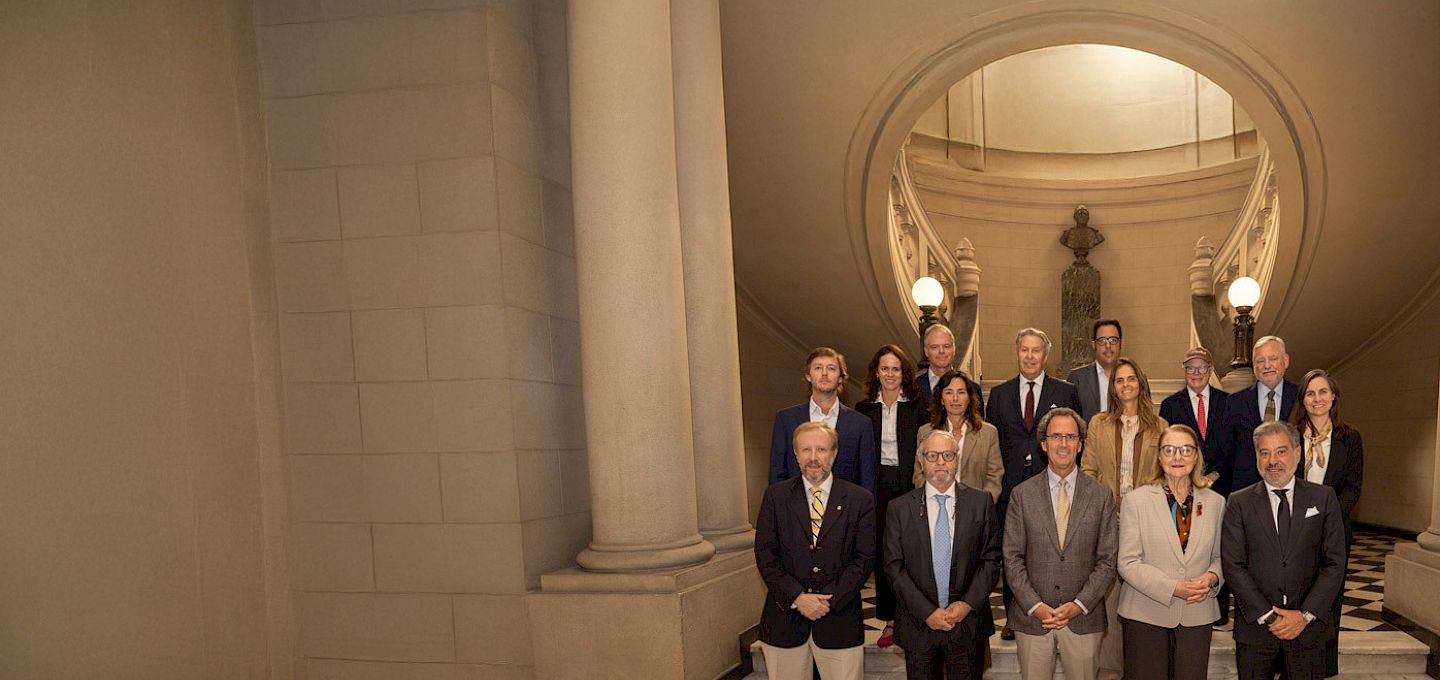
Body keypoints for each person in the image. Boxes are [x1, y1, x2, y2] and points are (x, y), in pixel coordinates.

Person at [1221, 421, 1346, 680]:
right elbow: (1233, 565)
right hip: (1256, 629)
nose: (1272, 460)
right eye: (1264, 453)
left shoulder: (1323, 498)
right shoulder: (1239, 502)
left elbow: (1334, 563)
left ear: (1297, 454)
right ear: (1256, 457)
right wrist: (1268, 616)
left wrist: (1305, 615)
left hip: (1308, 630)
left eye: (1281, 451)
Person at [755, 422, 877, 679]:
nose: (813, 458)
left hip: (840, 621)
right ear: (795, 453)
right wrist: (798, 598)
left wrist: (827, 600)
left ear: (833, 453)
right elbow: (766, 554)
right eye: (806, 449)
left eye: (821, 449)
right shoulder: (776, 497)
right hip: (784, 621)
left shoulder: (859, 499)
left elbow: (864, 558)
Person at [1004, 407, 1118, 680]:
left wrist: (1078, 604)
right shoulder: (1022, 494)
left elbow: (1107, 560)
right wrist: (1035, 605)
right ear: (1044, 443)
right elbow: (1011, 557)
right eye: (1056, 436)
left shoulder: (1101, 495)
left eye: (1070, 437)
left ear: (1080, 444)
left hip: (1083, 618)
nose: (1064, 444)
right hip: (1032, 618)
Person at [987, 327, 1082, 639]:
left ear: (1045, 355)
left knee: (1049, 548)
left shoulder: (1065, 392)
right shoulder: (999, 395)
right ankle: (1014, 617)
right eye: (1024, 350)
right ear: (1017, 353)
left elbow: (1074, 437)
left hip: (1051, 482)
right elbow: (994, 444)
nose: (1029, 356)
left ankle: (1053, 607)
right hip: (1011, 487)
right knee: (1012, 551)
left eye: (1036, 350)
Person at [884, 430, 1002, 679]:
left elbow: (991, 560)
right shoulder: (899, 508)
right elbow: (894, 568)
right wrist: (927, 612)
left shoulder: (980, 502)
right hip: (918, 625)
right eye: (932, 455)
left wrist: (966, 604)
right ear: (921, 461)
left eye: (947, 455)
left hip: (967, 624)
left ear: (957, 459)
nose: (940, 462)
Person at [1116, 424, 1226, 680]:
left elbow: (1221, 558)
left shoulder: (1216, 502)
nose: (1178, 457)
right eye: (1169, 450)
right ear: (1159, 456)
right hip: (1145, 614)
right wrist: (1173, 587)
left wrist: (1211, 578)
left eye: (1186, 450)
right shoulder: (1136, 501)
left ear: (1196, 456)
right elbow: (1128, 562)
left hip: (1197, 613)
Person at [1080, 357, 1166, 679]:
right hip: (1107, 523)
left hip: (1146, 524)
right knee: (1109, 599)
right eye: (1119, 380)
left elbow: (1164, 472)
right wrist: (1107, 507)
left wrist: (1139, 507)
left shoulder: (1160, 425)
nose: (1126, 385)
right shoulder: (1099, 423)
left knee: (1144, 597)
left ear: (1140, 383)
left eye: (1131, 379)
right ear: (1113, 387)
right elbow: (1087, 471)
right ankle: (1110, 672)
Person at [1289, 369, 1364, 678]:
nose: (1316, 399)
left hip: (1333, 532)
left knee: (1327, 599)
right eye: (1310, 393)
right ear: (1303, 399)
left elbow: (1352, 487)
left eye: (1322, 392)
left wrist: (1326, 521)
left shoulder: (1350, 437)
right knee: (1295, 596)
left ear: (1333, 397)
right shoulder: (1291, 434)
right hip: (1294, 532)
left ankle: (1324, 665)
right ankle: (1291, 660)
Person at [855, 345, 927, 649]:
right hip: (877, 487)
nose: (889, 374)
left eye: (895, 368)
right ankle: (889, 620)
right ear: (876, 372)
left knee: (913, 553)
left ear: (904, 373)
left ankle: (914, 616)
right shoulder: (863, 409)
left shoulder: (918, 407)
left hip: (910, 485)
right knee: (885, 554)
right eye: (884, 368)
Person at [769, 347, 878, 494]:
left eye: (831, 368)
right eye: (818, 368)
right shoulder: (786, 419)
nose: (824, 373)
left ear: (840, 377)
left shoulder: (861, 424)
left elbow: (867, 480)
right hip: (796, 511)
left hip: (845, 512)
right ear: (808, 375)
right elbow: (777, 474)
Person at [1217, 336, 1298, 497]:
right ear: (1254, 366)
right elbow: (1226, 452)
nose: (1267, 365)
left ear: (1285, 361)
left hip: (1292, 494)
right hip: (1246, 495)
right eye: (1260, 361)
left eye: (1273, 359)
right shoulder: (1234, 402)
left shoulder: (1301, 398)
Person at [916, 369, 1003, 502]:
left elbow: (994, 477)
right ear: (941, 399)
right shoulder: (925, 432)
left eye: (961, 392)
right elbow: (919, 475)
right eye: (949, 392)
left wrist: (980, 509)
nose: (955, 398)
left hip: (975, 512)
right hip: (936, 506)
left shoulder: (988, 433)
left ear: (969, 398)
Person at [1159, 347, 1229, 476]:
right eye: (1190, 368)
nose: (1196, 373)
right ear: (1184, 371)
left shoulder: (1227, 402)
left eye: (1202, 367)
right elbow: (1165, 448)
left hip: (1222, 485)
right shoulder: (1170, 406)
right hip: (1183, 482)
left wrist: (1216, 474)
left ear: (1210, 371)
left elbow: (1234, 446)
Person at [1068, 318, 1123, 422]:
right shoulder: (1077, 378)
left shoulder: (1136, 378)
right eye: (1102, 341)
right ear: (1094, 345)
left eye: (1113, 340)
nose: (1108, 346)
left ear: (1121, 343)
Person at [916, 324, 956, 403]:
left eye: (946, 346)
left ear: (954, 349)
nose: (941, 351)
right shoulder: (913, 388)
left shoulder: (972, 389)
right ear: (926, 351)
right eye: (935, 347)